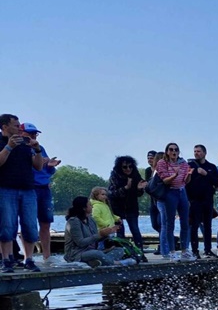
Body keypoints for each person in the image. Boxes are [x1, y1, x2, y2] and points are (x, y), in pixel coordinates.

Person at [0, 113, 49, 273]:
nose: (19, 128)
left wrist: (37, 150)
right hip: (6, 189)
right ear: (5, 126)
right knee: (7, 225)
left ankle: (29, 259)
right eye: (15, 125)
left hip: (28, 189)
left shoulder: (25, 143)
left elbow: (38, 167)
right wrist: (9, 147)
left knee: (29, 225)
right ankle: (6, 260)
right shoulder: (2, 142)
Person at [22, 123, 61, 266]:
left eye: (35, 134)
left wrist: (50, 165)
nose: (33, 136)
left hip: (44, 189)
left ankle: (47, 256)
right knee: (28, 223)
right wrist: (41, 162)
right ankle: (28, 257)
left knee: (45, 223)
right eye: (30, 133)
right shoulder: (20, 148)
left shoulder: (40, 148)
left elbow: (46, 169)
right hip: (30, 188)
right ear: (22, 133)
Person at [64, 196, 136, 267]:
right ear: (84, 208)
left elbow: (96, 239)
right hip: (77, 253)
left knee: (120, 250)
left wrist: (107, 234)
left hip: (92, 250)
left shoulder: (91, 220)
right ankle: (118, 263)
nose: (92, 206)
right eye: (89, 205)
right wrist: (100, 234)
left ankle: (93, 262)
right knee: (97, 253)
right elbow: (80, 243)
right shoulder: (73, 221)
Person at [155, 142, 194, 261]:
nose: (174, 152)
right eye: (171, 149)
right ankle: (171, 251)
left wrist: (189, 175)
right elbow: (166, 181)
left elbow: (186, 181)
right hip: (170, 192)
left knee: (185, 222)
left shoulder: (183, 163)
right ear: (167, 151)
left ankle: (184, 250)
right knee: (169, 223)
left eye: (176, 150)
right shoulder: (162, 163)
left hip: (182, 192)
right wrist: (175, 174)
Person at [187, 144, 218, 259]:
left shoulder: (211, 166)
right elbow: (185, 182)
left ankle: (208, 250)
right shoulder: (189, 166)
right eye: (195, 151)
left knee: (207, 226)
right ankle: (195, 251)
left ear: (205, 153)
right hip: (194, 201)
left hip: (207, 200)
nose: (196, 153)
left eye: (199, 151)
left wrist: (207, 174)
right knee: (194, 226)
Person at [107, 155, 146, 253]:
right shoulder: (114, 176)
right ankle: (122, 252)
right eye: (125, 167)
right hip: (117, 207)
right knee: (120, 232)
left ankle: (140, 252)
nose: (128, 169)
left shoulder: (135, 175)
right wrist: (126, 188)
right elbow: (111, 193)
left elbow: (138, 194)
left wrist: (139, 189)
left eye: (130, 166)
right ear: (120, 167)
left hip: (131, 206)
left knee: (135, 230)